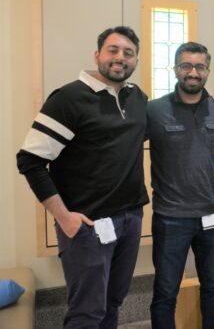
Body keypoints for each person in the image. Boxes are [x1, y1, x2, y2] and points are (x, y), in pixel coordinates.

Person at [16, 26, 147, 328]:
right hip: (85, 226)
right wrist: (64, 217)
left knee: (113, 302)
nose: (120, 58)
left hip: (129, 220)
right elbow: (30, 160)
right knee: (87, 312)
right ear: (97, 54)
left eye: (128, 53)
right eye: (113, 50)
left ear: (136, 61)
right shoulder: (68, 99)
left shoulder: (136, 97)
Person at [146, 42, 214, 329]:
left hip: (213, 216)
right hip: (171, 218)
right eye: (186, 66)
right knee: (166, 292)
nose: (193, 72)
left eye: (199, 67)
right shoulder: (154, 110)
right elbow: (124, 147)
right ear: (175, 69)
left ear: (207, 71)